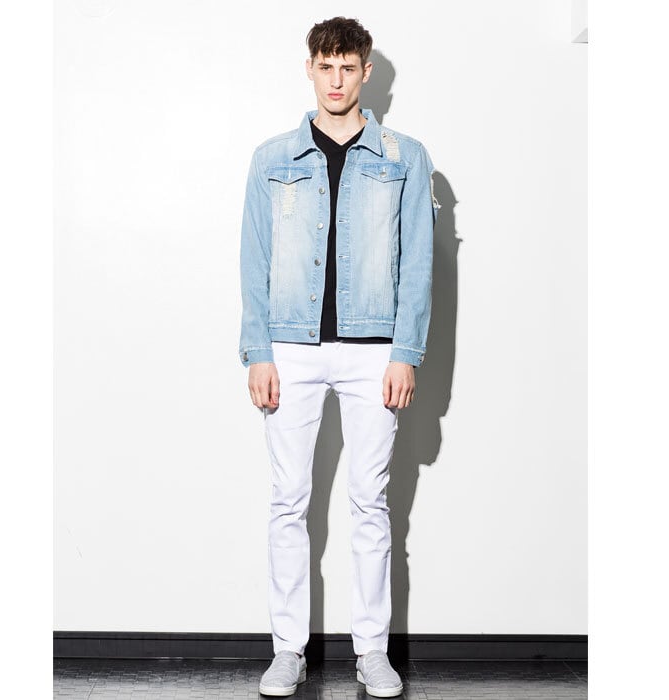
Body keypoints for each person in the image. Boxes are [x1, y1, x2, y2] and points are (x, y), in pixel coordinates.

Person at [238, 16, 439, 698]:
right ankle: (287, 650)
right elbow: (254, 259)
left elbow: (418, 264)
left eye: (348, 67)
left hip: (374, 351)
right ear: (310, 69)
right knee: (288, 502)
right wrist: (257, 350)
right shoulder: (272, 159)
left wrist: (406, 352)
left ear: (366, 72)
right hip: (289, 350)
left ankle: (372, 652)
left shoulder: (405, 157)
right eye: (325, 66)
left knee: (370, 503)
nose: (336, 79)